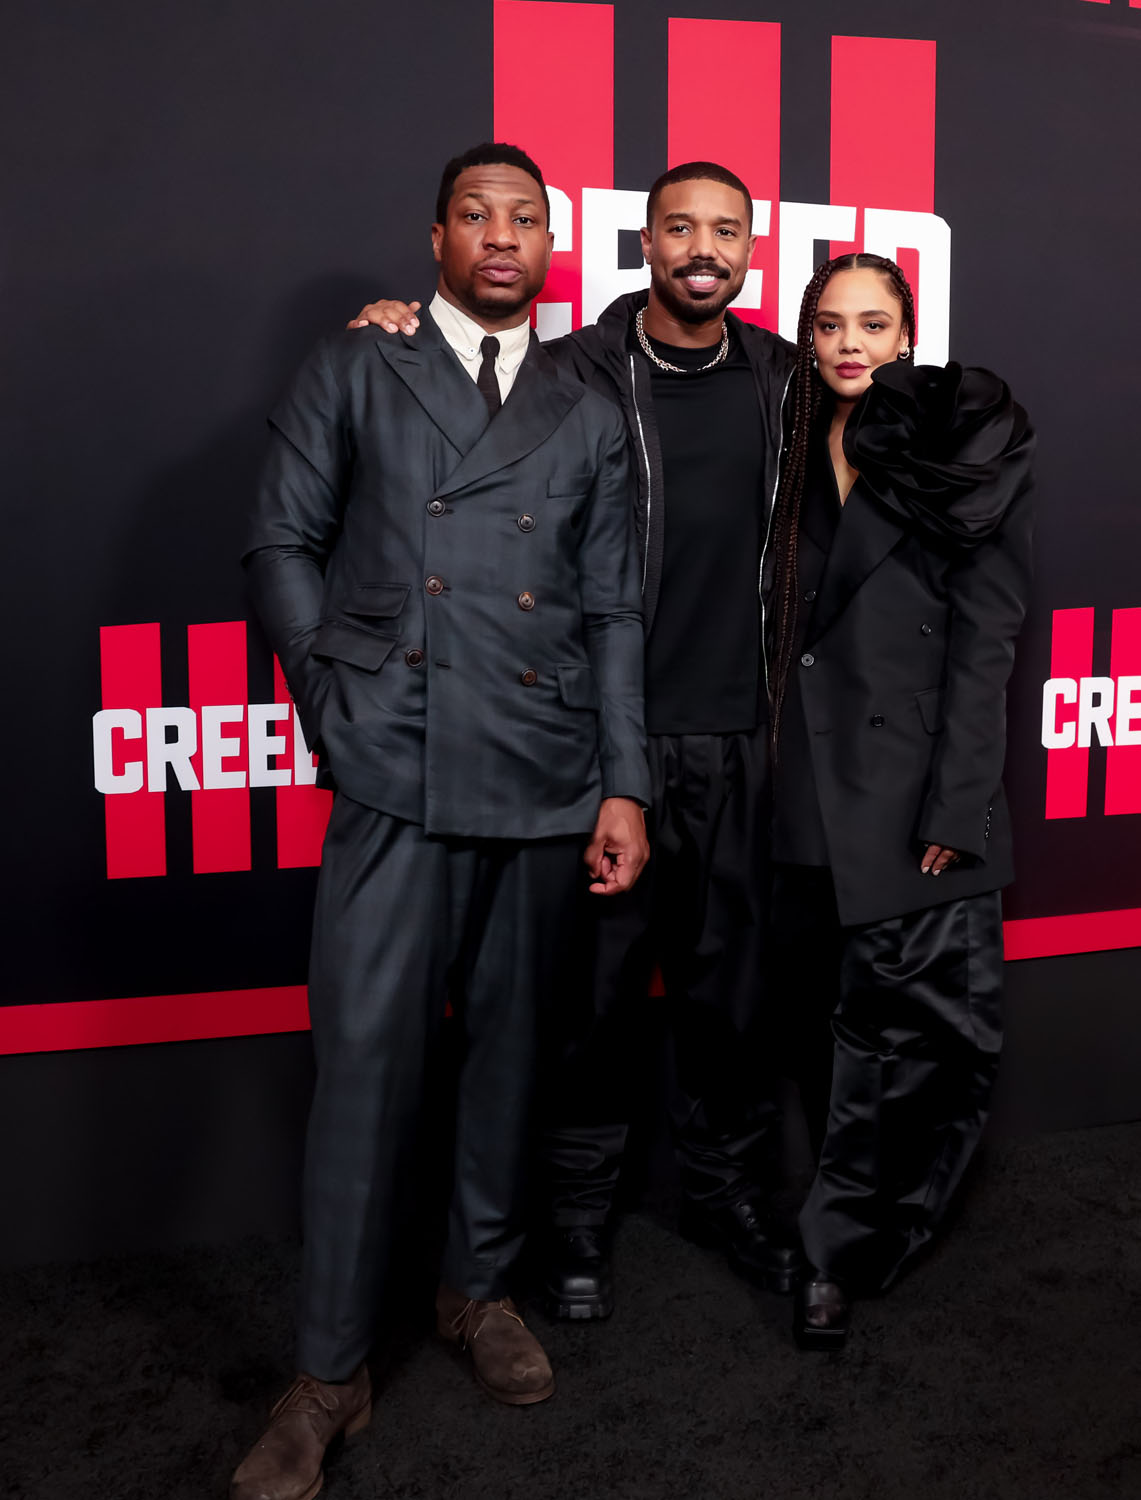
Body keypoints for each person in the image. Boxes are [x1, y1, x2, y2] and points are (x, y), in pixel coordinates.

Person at [232, 142, 650, 1500]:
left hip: (542, 771)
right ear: (438, 238)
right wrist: (331, 695)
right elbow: (280, 541)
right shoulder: (360, 363)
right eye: (477, 214)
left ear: (552, 245)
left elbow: (612, 608)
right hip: (394, 768)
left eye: (525, 217)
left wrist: (625, 784)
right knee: (363, 1066)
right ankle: (327, 1374)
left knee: (510, 1057)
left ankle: (476, 1290)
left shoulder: (588, 403)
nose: (502, 236)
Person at [351, 162, 803, 1320]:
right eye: (679, 228)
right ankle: (577, 1218)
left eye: (726, 231)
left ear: (750, 251)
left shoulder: (784, 380)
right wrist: (393, 328)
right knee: (591, 1003)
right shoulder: (572, 372)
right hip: (606, 749)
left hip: (742, 742)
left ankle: (730, 1197)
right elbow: (454, 390)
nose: (702, 249)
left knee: (731, 998)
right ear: (642, 243)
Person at [764, 253, 1034, 1348]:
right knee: (815, 1029)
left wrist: (957, 810)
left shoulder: (962, 439)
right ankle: (822, 1223)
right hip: (793, 783)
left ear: (907, 335)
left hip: (914, 789)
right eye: (830, 324)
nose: (850, 344)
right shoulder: (778, 435)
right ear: (806, 336)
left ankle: (839, 1254)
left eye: (872, 324)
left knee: (909, 1041)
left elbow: (987, 640)